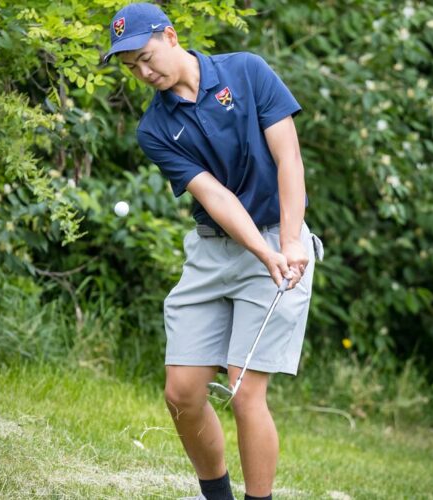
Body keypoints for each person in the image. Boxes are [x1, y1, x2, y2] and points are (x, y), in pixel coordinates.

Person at [104, 3, 323, 499]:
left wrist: (287, 243)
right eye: (131, 66)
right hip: (213, 250)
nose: (142, 71)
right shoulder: (154, 129)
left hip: (278, 234)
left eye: (145, 56)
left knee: (246, 391)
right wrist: (261, 254)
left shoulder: (247, 72)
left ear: (172, 36)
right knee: (181, 393)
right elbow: (216, 197)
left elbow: (289, 159)